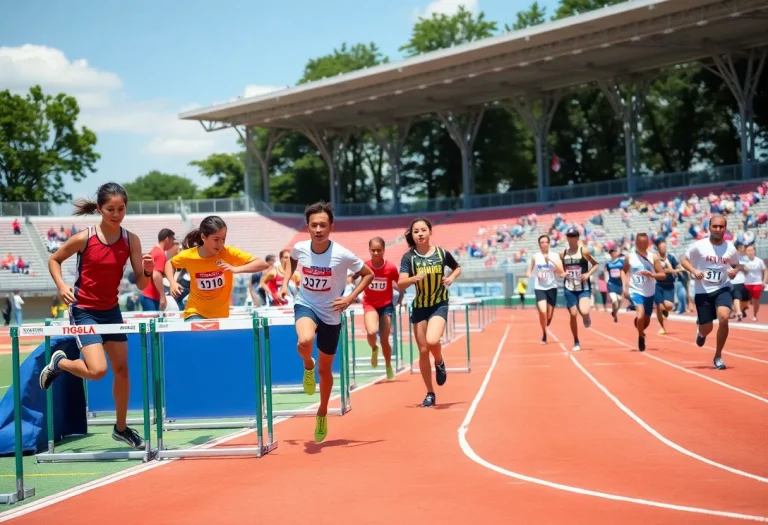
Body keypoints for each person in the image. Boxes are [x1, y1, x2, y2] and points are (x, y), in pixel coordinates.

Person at [39, 182, 154, 449]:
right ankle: (61, 364)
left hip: (111, 310)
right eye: (110, 209)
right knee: (98, 370)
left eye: (121, 208)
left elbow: (141, 284)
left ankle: (121, 428)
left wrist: (147, 271)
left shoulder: (130, 240)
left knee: (123, 370)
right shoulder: (84, 238)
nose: (116, 214)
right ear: (100, 209)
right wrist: (61, 286)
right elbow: (54, 259)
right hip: (84, 310)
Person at [280, 202, 374, 443]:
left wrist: (350, 298)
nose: (318, 229)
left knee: (326, 369)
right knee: (305, 340)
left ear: (331, 227)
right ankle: (306, 365)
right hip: (306, 304)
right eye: (314, 225)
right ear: (307, 227)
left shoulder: (342, 254)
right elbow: (291, 260)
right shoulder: (300, 248)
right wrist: (284, 283)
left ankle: (322, 411)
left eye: (323, 225)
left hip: (332, 312)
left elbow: (368, 274)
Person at [398, 217, 462, 408]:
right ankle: (430, 393)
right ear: (413, 235)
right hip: (420, 306)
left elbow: (457, 268)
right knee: (423, 350)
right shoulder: (409, 258)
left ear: (430, 231)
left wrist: (450, 277)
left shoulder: (442, 253)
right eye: (416, 231)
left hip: (439, 303)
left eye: (423, 230)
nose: (420, 234)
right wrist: (413, 278)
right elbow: (400, 282)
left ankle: (440, 361)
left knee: (433, 341)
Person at [165, 216, 269, 321]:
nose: (220, 244)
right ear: (203, 237)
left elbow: (262, 264)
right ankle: (187, 301)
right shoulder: (189, 255)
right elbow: (170, 264)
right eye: (216, 239)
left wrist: (235, 269)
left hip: (220, 316)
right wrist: (172, 282)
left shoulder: (228, 252)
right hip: (195, 313)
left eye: (223, 239)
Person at [680, 214, 741, 370]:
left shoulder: (730, 248)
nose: (718, 229)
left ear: (725, 228)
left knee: (724, 317)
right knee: (707, 328)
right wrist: (694, 270)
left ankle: (718, 356)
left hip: (722, 288)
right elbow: (683, 260)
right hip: (703, 291)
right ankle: (701, 333)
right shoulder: (698, 245)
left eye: (721, 227)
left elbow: (736, 265)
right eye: (715, 226)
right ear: (709, 227)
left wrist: (734, 271)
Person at [361, 237, 402, 380]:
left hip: (386, 305)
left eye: (379, 250)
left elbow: (399, 284)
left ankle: (388, 365)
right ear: (369, 250)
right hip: (370, 304)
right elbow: (356, 279)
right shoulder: (365, 266)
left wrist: (400, 299)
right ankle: (373, 348)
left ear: (384, 250)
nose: (376, 253)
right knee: (372, 331)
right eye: (373, 250)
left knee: (385, 339)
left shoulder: (390, 268)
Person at [622, 233, 666, 352]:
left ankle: (641, 328)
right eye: (640, 243)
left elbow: (662, 275)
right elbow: (623, 271)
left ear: (648, 243)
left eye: (645, 243)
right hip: (635, 290)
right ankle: (641, 337)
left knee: (645, 320)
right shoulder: (630, 257)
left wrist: (651, 274)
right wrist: (624, 286)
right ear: (636, 243)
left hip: (649, 292)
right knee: (640, 314)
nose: (642, 245)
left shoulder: (653, 257)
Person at [560, 227, 599, 352]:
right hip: (569, 287)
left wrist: (588, 274)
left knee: (584, 310)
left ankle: (586, 315)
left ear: (577, 238)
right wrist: (561, 273)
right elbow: (561, 269)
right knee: (573, 313)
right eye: (569, 236)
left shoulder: (584, 251)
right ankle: (576, 340)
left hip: (583, 287)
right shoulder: (563, 253)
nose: (571, 239)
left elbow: (596, 264)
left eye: (573, 236)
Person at [527, 234, 564, 344]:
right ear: (539, 244)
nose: (544, 244)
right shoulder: (535, 256)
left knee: (549, 315)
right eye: (541, 242)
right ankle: (544, 334)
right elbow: (529, 269)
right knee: (542, 311)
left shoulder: (555, 256)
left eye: (545, 242)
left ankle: (548, 319)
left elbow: (560, 271)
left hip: (552, 286)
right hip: (539, 287)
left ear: (549, 243)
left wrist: (551, 261)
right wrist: (529, 275)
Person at [140, 228, 176, 312]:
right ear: (167, 239)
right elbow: (156, 274)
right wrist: (162, 296)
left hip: (147, 295)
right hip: (151, 296)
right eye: (172, 239)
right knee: (152, 324)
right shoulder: (160, 254)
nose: (173, 243)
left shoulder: (154, 250)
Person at [653, 238, 681, 335]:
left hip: (669, 286)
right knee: (659, 306)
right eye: (662, 247)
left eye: (665, 246)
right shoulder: (654, 259)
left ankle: (665, 310)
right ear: (657, 248)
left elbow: (680, 269)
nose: (664, 249)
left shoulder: (671, 258)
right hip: (659, 285)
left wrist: (672, 271)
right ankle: (661, 327)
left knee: (669, 306)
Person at [742, 243, 766, 322]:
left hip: (757, 283)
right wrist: (743, 269)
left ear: (754, 251)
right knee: (745, 300)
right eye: (748, 251)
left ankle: (755, 315)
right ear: (746, 252)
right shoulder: (743, 260)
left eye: (751, 250)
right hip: (746, 283)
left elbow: (765, 271)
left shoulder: (759, 261)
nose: (750, 252)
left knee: (756, 300)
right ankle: (743, 310)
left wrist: (764, 281)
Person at [730, 242, 749, 321]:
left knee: (745, 298)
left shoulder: (746, 258)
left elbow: (747, 271)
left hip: (745, 282)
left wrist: (744, 269)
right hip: (735, 281)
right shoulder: (731, 258)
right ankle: (738, 312)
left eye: (743, 248)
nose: (743, 249)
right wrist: (738, 268)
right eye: (741, 248)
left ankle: (737, 311)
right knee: (737, 296)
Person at [605, 248, 625, 322]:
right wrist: (606, 281)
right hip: (611, 283)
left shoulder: (621, 262)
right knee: (614, 300)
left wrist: (623, 278)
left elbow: (625, 271)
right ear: (610, 254)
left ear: (617, 253)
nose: (613, 253)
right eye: (611, 252)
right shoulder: (608, 263)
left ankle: (614, 312)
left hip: (619, 284)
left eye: (614, 252)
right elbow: (606, 272)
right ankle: (615, 315)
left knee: (620, 300)